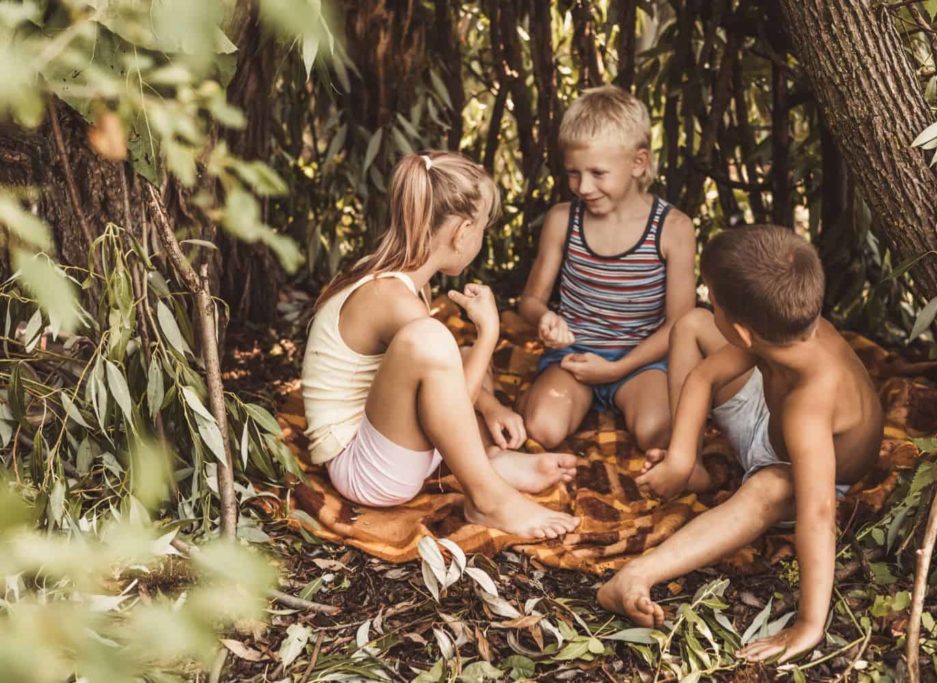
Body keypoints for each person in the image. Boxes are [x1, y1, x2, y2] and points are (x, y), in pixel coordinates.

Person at [598, 225, 883, 662]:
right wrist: (681, 456)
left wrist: (809, 623)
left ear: (744, 332)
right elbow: (705, 376)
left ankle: (635, 576)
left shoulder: (812, 400)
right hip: (765, 420)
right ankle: (693, 470)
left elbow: (819, 512)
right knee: (690, 324)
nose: (708, 302)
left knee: (768, 491)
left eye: (713, 299)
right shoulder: (785, 331)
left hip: (797, 470)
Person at [301, 151, 580, 539]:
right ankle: (487, 497)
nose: (480, 237)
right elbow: (452, 404)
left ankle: (489, 461)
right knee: (434, 341)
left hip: (378, 442)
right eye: (483, 227)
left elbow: (444, 392)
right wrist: (489, 334)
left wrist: (493, 405)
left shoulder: (400, 278)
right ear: (462, 232)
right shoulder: (392, 298)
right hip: (365, 472)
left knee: (455, 353)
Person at [517, 85, 696, 451]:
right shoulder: (562, 220)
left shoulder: (673, 228)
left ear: (638, 162)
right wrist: (544, 320)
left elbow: (680, 322)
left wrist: (616, 368)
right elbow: (531, 299)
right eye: (573, 173)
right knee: (542, 429)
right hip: (574, 359)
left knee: (658, 433)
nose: (582, 187)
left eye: (598, 173)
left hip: (640, 363)